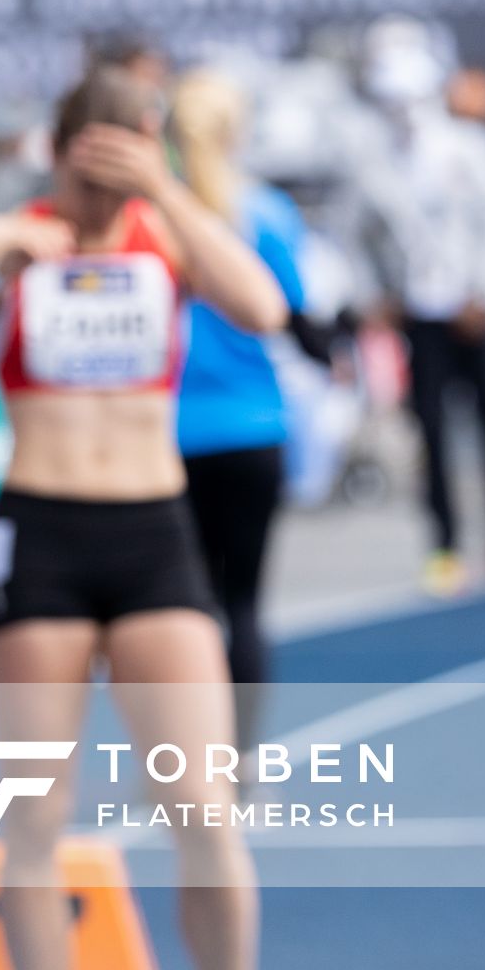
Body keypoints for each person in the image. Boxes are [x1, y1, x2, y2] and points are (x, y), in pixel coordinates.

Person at [0, 66, 290, 970]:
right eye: (95, 159)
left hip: (158, 536)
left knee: (204, 810)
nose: (110, 181)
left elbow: (266, 307)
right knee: (36, 819)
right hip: (46, 539)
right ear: (59, 153)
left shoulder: (168, 230)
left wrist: (166, 191)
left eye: (133, 153)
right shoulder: (4, 236)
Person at [342, 17, 485, 597]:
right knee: (431, 431)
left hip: (474, 311)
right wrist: (377, 294)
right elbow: (356, 236)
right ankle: (443, 547)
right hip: (421, 315)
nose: (402, 112)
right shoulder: (374, 161)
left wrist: (484, 293)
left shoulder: (468, 148)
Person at [167, 69, 310, 757]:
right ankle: (242, 759)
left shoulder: (155, 218)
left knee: (179, 613)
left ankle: (184, 760)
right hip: (253, 429)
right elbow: (294, 315)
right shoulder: (265, 213)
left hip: (165, 437)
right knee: (244, 605)